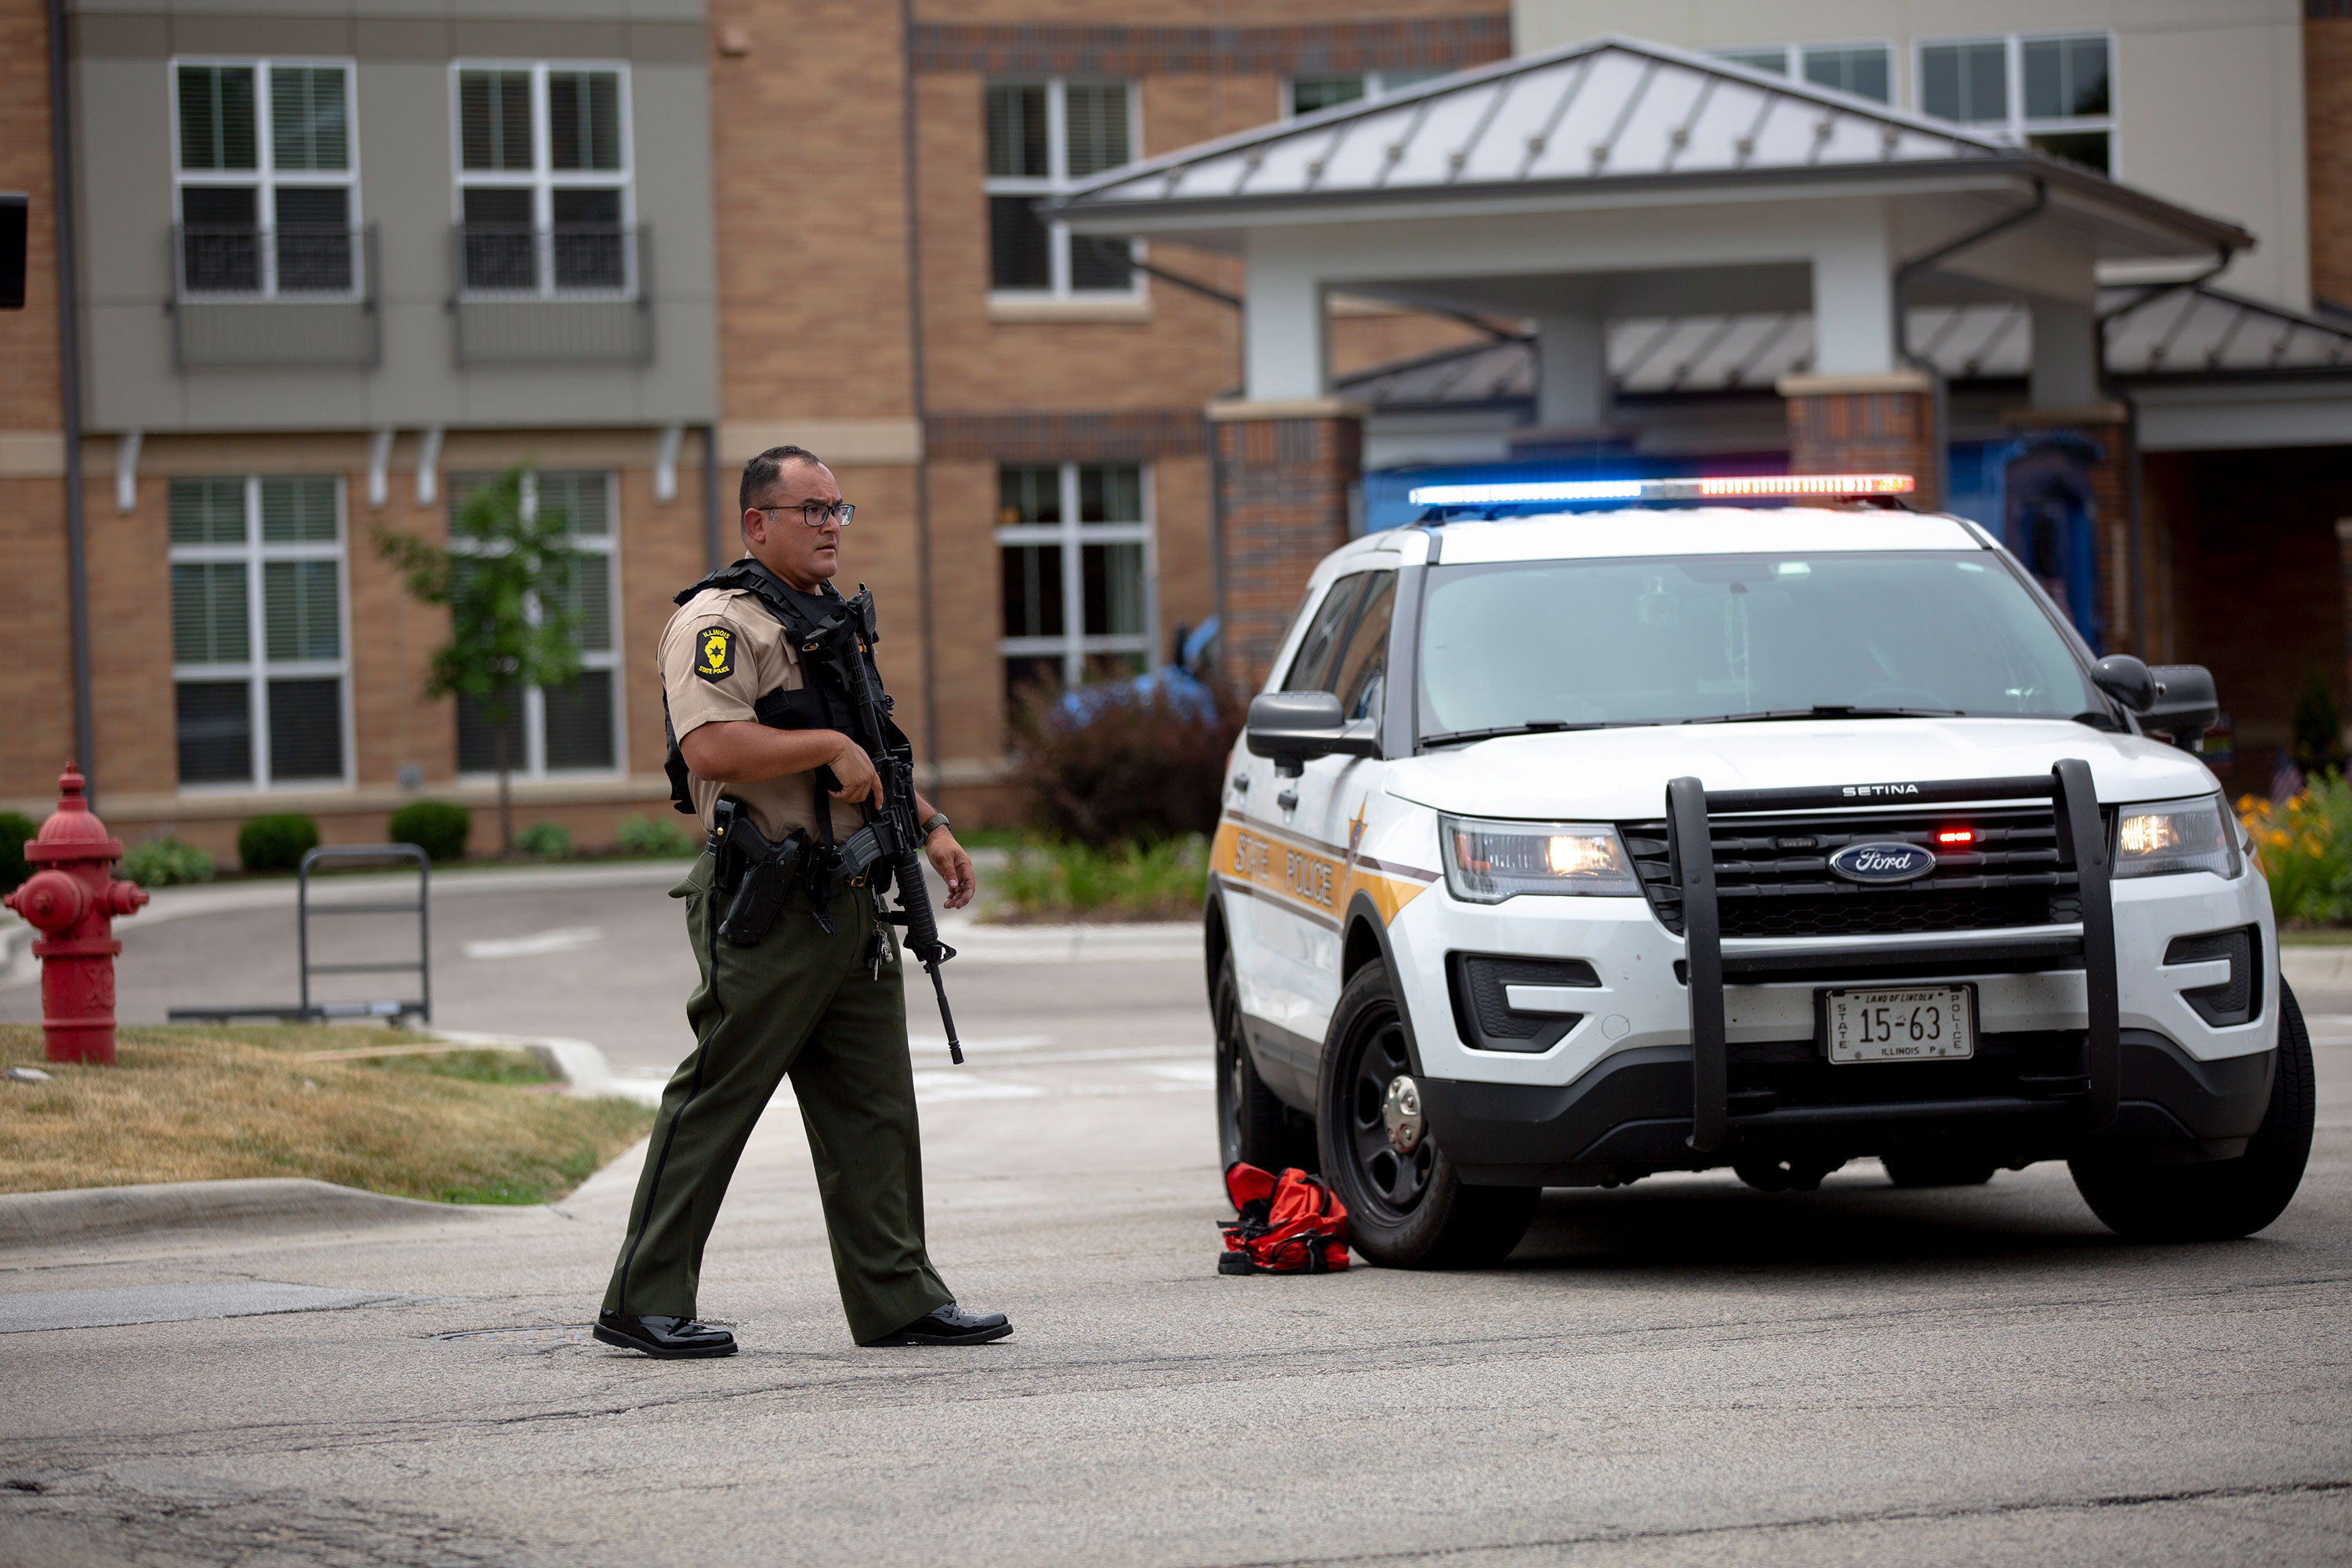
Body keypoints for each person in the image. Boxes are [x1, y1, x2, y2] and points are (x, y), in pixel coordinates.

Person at [593, 445, 1008, 1357]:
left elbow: (873, 747)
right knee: (716, 1098)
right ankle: (642, 1296)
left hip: (853, 893)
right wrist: (822, 747)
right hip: (770, 900)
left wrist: (931, 827)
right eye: (811, 510)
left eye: (837, 509)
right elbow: (709, 745)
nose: (829, 525)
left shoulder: (826, 618)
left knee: (874, 1109)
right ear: (758, 523)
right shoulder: (717, 622)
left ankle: (898, 1296)